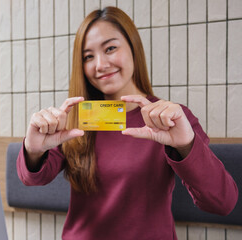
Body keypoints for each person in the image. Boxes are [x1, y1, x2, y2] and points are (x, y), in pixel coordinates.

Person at [16, 6, 238, 240]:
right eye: (88, 57)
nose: (100, 65)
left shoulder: (172, 119)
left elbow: (222, 202)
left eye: (110, 48)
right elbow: (32, 178)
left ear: (134, 48)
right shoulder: (76, 120)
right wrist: (33, 150)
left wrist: (185, 146)